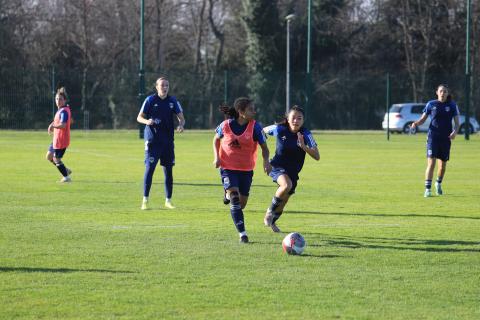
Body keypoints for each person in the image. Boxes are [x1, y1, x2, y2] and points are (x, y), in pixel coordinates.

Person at [213, 97, 271, 243]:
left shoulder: (255, 127)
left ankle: (227, 196)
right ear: (241, 112)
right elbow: (216, 139)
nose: (254, 111)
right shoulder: (226, 125)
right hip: (227, 168)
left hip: (246, 170)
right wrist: (217, 157)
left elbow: (265, 148)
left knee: (242, 204)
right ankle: (242, 234)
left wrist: (266, 162)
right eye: (251, 109)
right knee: (235, 199)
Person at [263, 106, 320, 232]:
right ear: (288, 119)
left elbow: (317, 156)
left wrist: (304, 147)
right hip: (277, 166)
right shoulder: (279, 129)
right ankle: (269, 212)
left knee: (284, 200)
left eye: (299, 118)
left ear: (303, 120)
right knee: (286, 185)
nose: (296, 120)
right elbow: (260, 132)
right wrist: (265, 158)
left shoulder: (306, 134)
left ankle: (273, 222)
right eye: (293, 117)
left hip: (293, 172)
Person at [137, 77, 186, 210]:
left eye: (167, 85)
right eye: (162, 85)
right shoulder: (150, 100)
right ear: (156, 87)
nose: (164, 88)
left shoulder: (173, 101)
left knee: (168, 170)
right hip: (153, 140)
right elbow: (139, 117)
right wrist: (147, 121)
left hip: (168, 141)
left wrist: (181, 125)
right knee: (150, 168)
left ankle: (168, 201)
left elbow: (181, 118)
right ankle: (145, 200)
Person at [411, 84, 460, 197]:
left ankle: (438, 183)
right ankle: (427, 189)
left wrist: (455, 132)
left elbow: (457, 124)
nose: (443, 93)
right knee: (431, 163)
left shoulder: (452, 105)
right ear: (437, 92)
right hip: (433, 138)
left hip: (445, 139)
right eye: (441, 91)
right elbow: (422, 120)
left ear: (448, 94)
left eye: (445, 91)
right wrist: (415, 124)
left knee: (442, 167)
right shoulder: (431, 104)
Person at [46, 87, 72, 183]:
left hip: (61, 140)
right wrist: (51, 125)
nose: (58, 101)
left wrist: (54, 126)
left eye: (60, 99)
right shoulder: (61, 110)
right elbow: (57, 121)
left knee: (56, 159)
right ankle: (65, 170)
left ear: (64, 100)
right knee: (49, 156)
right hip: (56, 139)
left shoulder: (64, 111)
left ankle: (66, 177)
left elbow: (63, 125)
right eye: (57, 99)